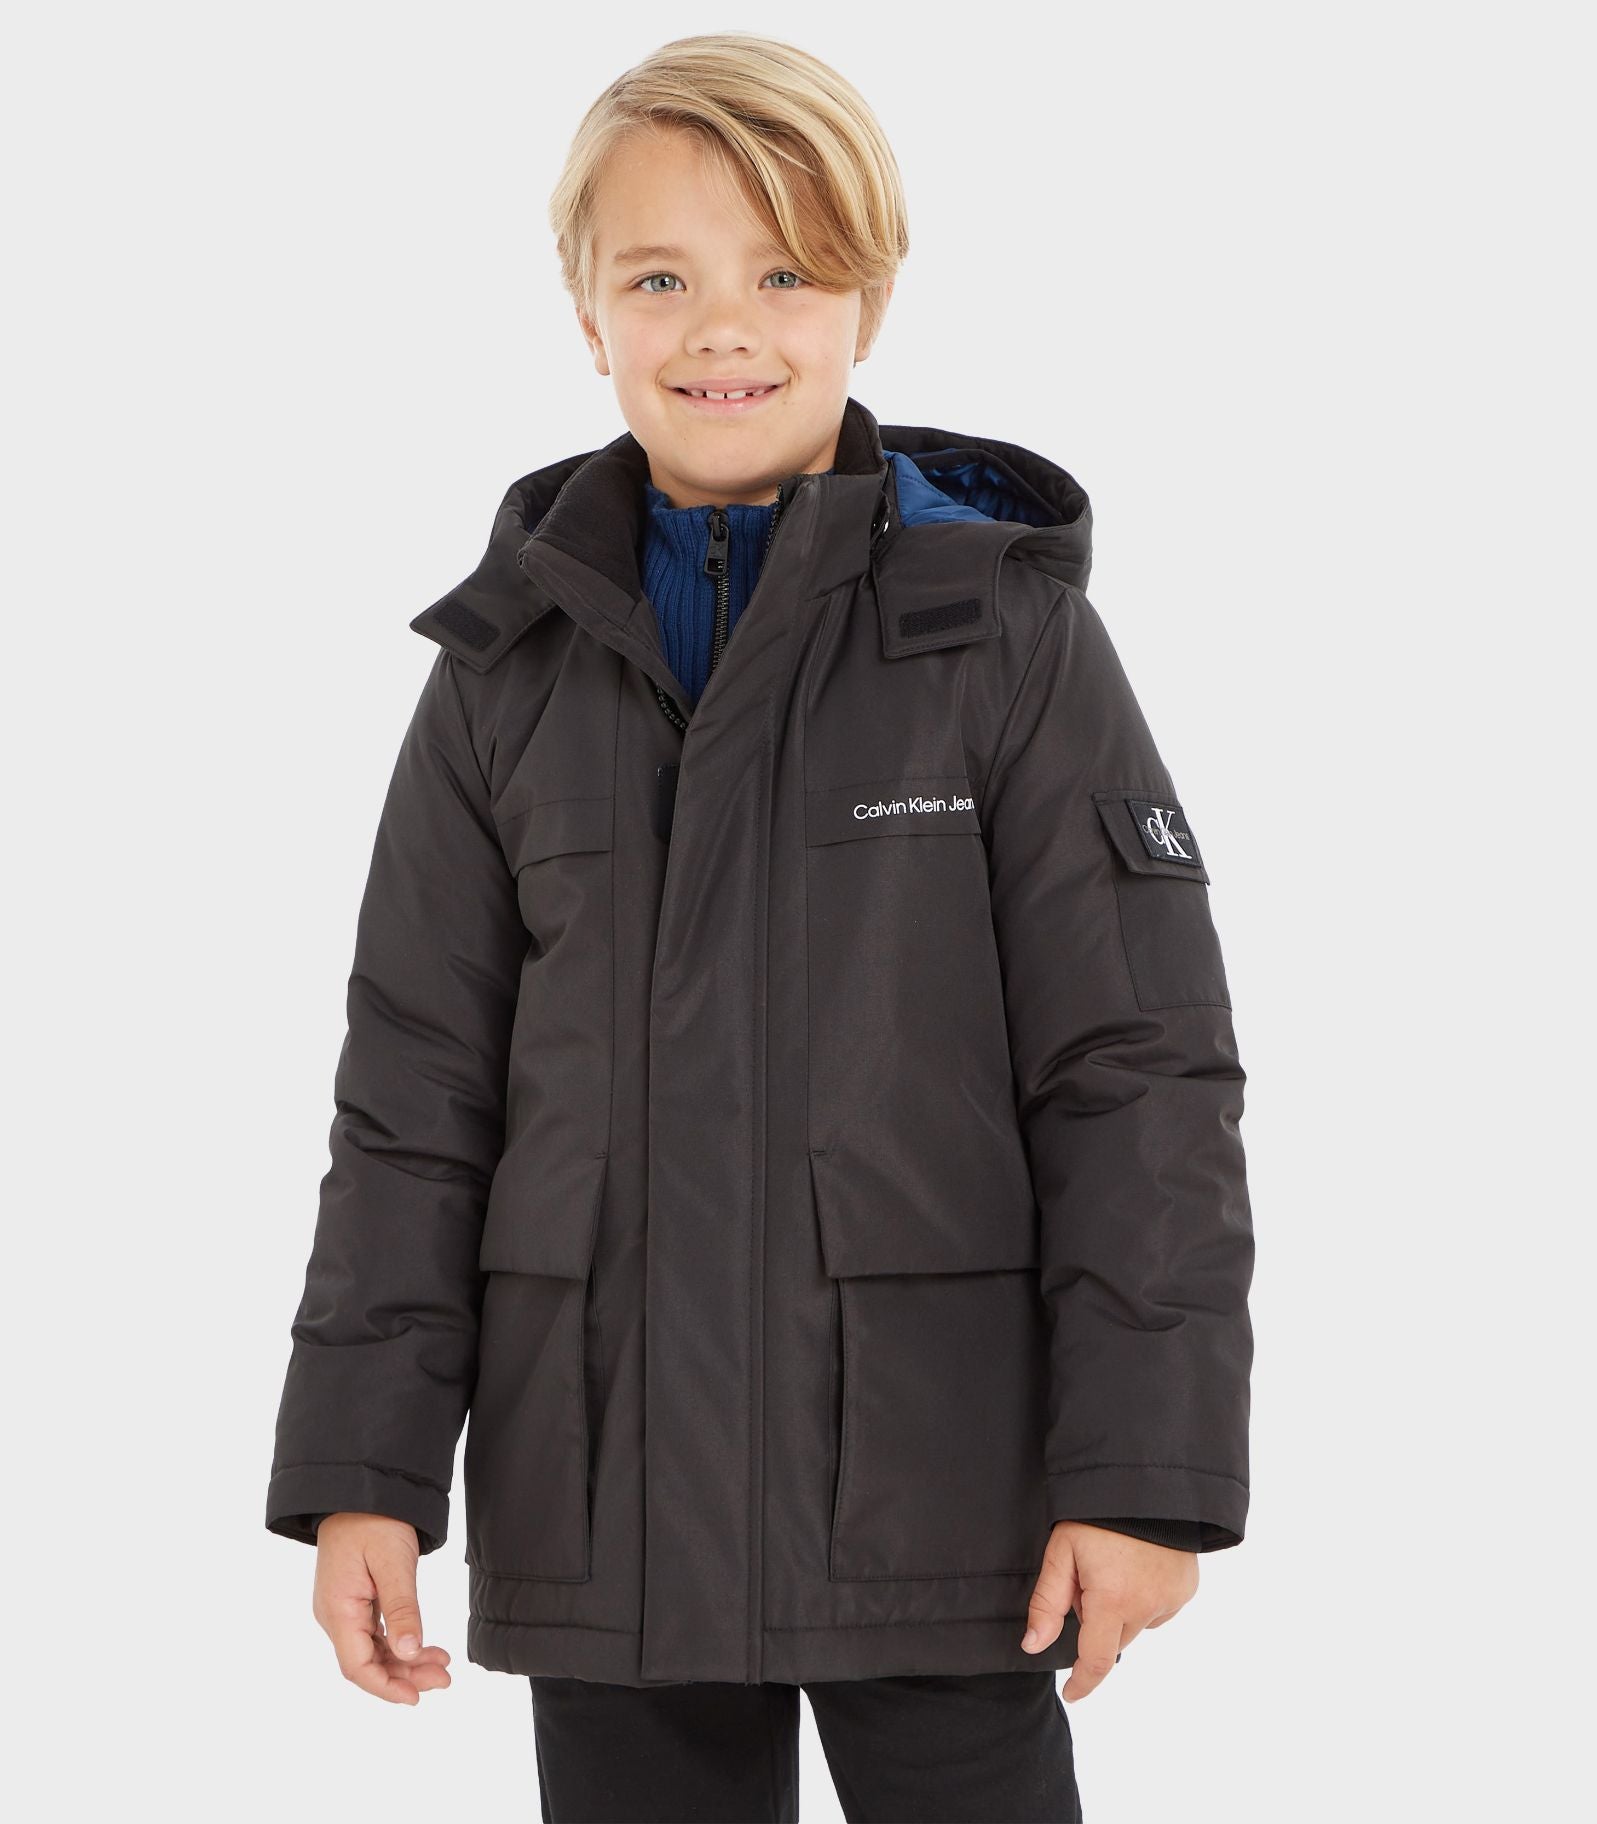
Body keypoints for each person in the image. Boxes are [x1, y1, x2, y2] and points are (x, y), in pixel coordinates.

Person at [265, 31, 1255, 1823]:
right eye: (660, 278)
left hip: (935, 1488)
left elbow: (1134, 1072)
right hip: (606, 1495)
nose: (722, 327)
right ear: (586, 315)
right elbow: (412, 1102)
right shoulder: (503, 673)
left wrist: (1144, 1470)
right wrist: (365, 1469)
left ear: (869, 300)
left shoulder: (1001, 642)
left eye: (785, 273)